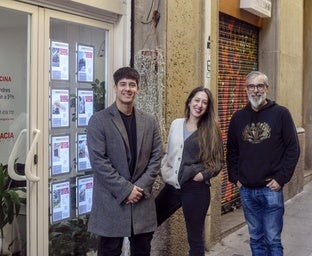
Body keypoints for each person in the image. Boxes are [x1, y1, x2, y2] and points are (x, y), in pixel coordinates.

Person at [87, 67, 162, 256]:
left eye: (132, 84)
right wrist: (126, 190)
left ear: (138, 89)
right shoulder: (99, 120)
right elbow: (99, 162)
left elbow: (156, 156)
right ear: (115, 87)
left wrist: (138, 188)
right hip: (111, 202)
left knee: (142, 251)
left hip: (141, 201)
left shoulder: (150, 121)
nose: (127, 89)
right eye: (123, 84)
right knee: (109, 251)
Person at [226, 71, 300, 256]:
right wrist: (235, 178)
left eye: (260, 86)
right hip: (247, 190)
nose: (255, 90)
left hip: (271, 189)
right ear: (246, 90)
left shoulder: (281, 114)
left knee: (273, 240)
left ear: (267, 88)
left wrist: (281, 179)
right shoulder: (238, 118)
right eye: (251, 86)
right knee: (256, 238)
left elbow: (293, 148)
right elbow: (232, 150)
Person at [155, 86, 224, 256]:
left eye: (204, 102)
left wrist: (202, 175)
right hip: (172, 186)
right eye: (197, 100)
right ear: (189, 101)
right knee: (149, 222)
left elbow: (218, 161)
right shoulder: (176, 124)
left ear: (207, 107)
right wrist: (164, 170)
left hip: (195, 189)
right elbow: (168, 152)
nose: (199, 105)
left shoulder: (210, 130)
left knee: (195, 239)